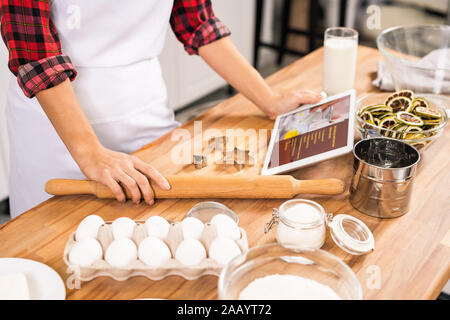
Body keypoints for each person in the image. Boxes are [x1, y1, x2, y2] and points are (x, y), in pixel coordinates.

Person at [0, 0, 322, 218]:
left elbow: (198, 22)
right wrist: (90, 153)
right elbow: (36, 53)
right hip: (55, 132)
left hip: (145, 110)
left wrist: (268, 99)